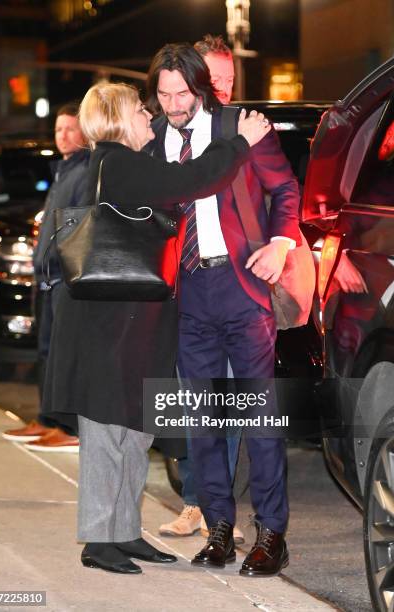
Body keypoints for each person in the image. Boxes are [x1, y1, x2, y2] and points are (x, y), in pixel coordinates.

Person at [40, 81, 272, 575]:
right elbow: (191, 180)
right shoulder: (116, 161)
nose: (152, 117)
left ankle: (124, 532)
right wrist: (239, 143)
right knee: (107, 430)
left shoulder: (123, 163)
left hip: (134, 321)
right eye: (142, 111)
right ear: (121, 118)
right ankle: (99, 540)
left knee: (132, 430)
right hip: (109, 323)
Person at [146, 43, 301, 576]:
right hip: (189, 294)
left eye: (181, 93)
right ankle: (217, 528)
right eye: (163, 94)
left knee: (259, 418)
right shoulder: (155, 139)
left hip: (242, 288)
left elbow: (285, 189)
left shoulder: (242, 126)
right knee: (202, 420)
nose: (172, 104)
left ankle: (271, 534)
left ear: (201, 87)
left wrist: (281, 244)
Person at [158, 34, 244, 544]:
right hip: (185, 284)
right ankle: (196, 503)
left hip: (234, 285)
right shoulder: (165, 134)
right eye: (213, 82)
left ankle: (217, 512)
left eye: (229, 82)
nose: (222, 91)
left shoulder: (245, 133)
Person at [2, 103, 89, 452]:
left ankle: (66, 424)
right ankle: (48, 418)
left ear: (85, 132)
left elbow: (77, 229)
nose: (63, 136)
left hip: (62, 278)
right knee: (47, 350)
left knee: (61, 353)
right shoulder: (64, 170)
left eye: (70, 128)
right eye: (58, 129)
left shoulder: (83, 172)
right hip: (48, 277)